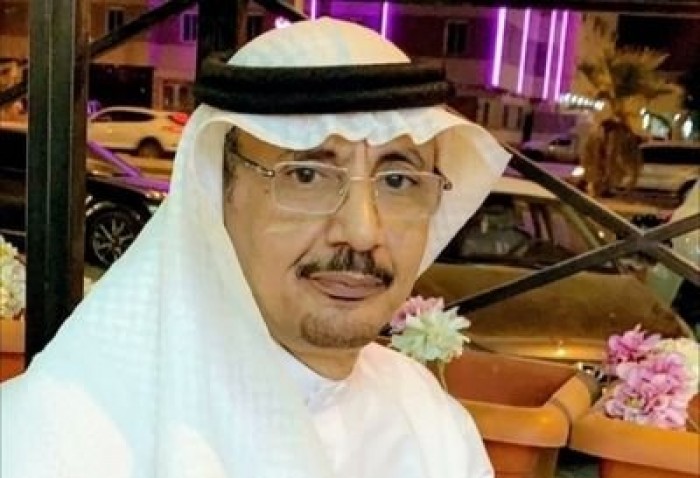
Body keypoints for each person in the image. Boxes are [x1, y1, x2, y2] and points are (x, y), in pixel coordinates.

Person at [1, 18, 510, 478]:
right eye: (306, 175)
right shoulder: (64, 435)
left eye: (397, 180)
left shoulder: (429, 422)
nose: (361, 231)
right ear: (217, 194)